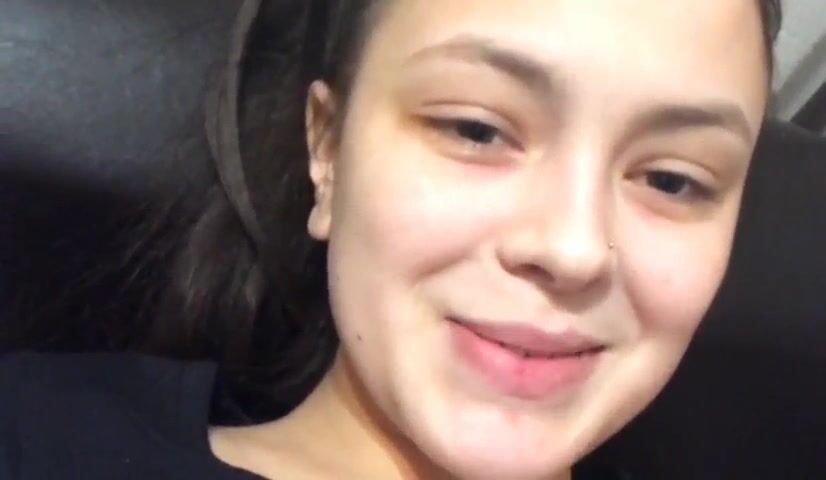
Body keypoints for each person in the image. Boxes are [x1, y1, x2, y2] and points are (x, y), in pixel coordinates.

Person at [0, 0, 783, 478]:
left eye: (672, 180)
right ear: (328, 150)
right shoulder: (43, 441)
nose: (574, 248)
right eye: (476, 129)